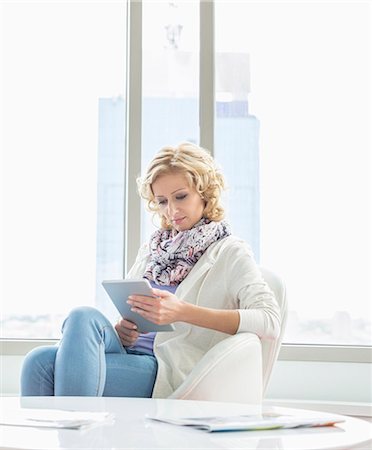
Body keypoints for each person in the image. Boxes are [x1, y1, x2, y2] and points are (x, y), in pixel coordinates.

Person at [21, 142, 281, 398]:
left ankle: (78, 438)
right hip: (129, 352)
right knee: (66, 332)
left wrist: (181, 312)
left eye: (181, 196)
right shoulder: (153, 248)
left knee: (44, 366)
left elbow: (269, 320)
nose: (172, 210)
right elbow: (135, 318)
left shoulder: (229, 251)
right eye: (162, 201)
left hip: (166, 367)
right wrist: (124, 331)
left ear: (204, 192)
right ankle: (72, 436)